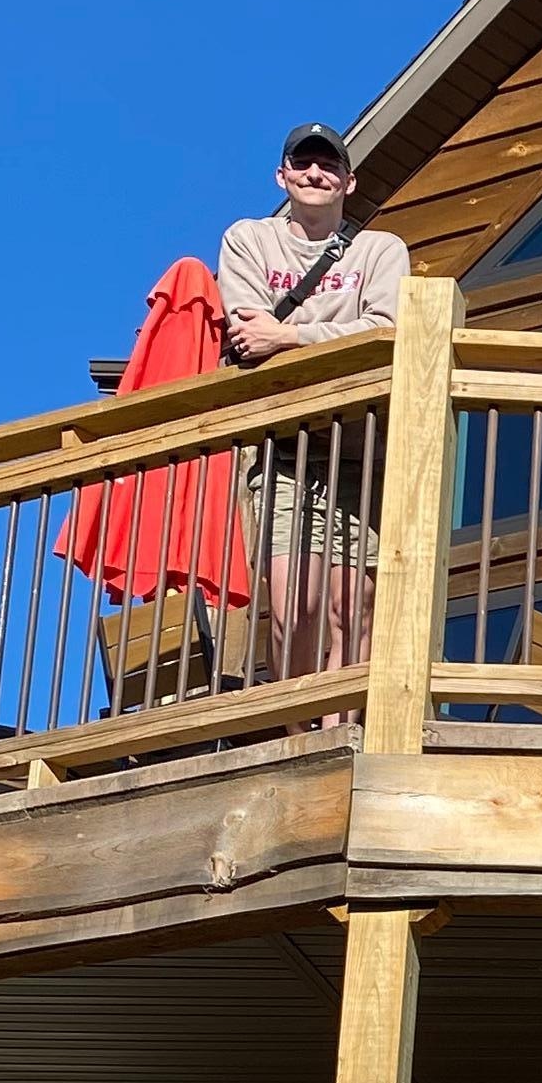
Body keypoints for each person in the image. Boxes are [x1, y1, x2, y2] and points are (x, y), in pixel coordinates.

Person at [217, 122, 409, 672]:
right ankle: (297, 718)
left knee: (355, 609)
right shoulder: (249, 239)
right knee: (293, 608)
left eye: (329, 166)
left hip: (364, 448)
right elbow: (247, 333)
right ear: (282, 176)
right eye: (303, 164)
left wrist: (289, 335)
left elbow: (385, 331)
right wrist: (329, 335)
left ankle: (337, 718)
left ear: (349, 182)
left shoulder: (380, 249)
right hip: (285, 448)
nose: (315, 174)